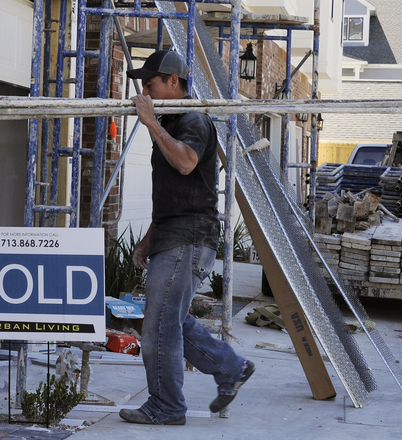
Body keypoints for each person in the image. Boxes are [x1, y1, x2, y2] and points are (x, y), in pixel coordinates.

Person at [119, 50, 254, 426]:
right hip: (175, 235)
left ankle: (166, 406)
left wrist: (150, 123)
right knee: (170, 321)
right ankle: (231, 367)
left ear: (173, 82)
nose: (144, 92)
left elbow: (186, 162)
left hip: (188, 240)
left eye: (151, 84)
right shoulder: (172, 122)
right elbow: (175, 196)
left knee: (159, 325)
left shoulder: (192, 119)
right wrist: (149, 238)